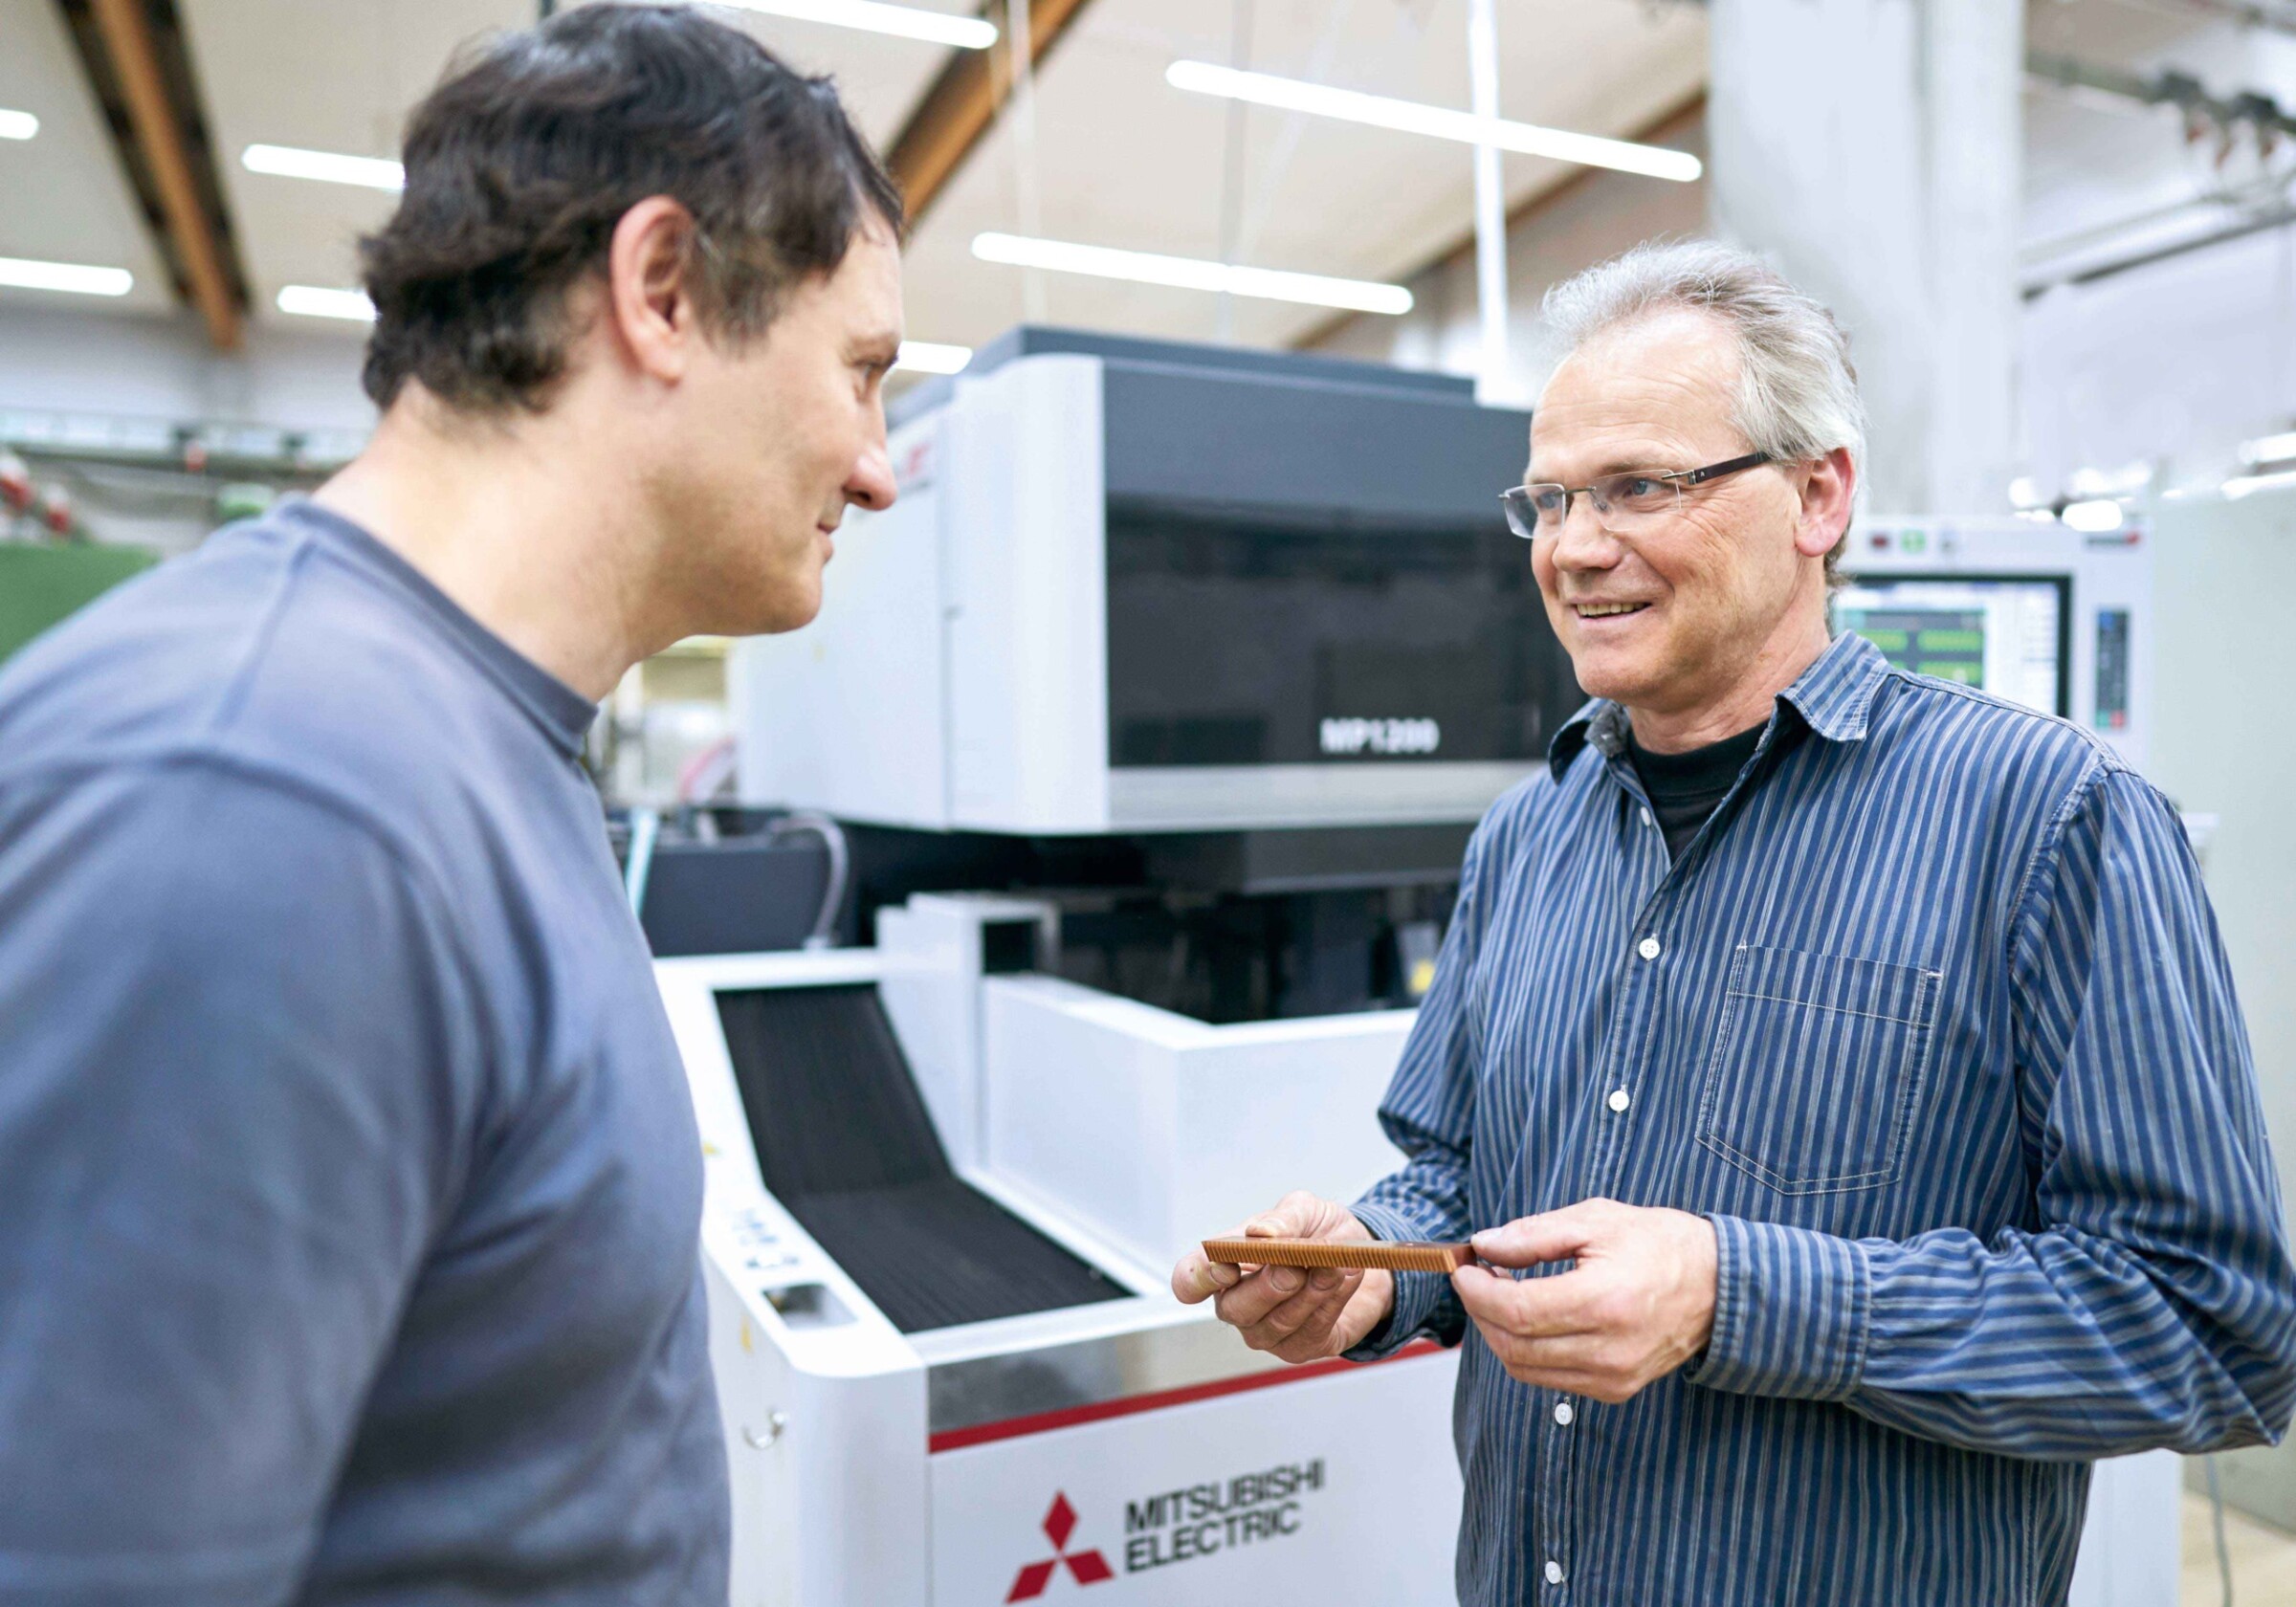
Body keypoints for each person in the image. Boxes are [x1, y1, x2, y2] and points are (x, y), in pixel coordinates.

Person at [1173, 239, 2296, 1605]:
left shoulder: (2054, 820)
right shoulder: (1528, 837)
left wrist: (1736, 1298)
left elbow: (2216, 1331)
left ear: (1818, 494)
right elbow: (1463, 1183)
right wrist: (1371, 1270)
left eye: (1642, 486)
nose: (1579, 549)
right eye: (1552, 500)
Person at [0, 7, 902, 1603]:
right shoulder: (265, 806)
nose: (879, 463)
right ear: (666, 290)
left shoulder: (482, 746)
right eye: (863, 374)